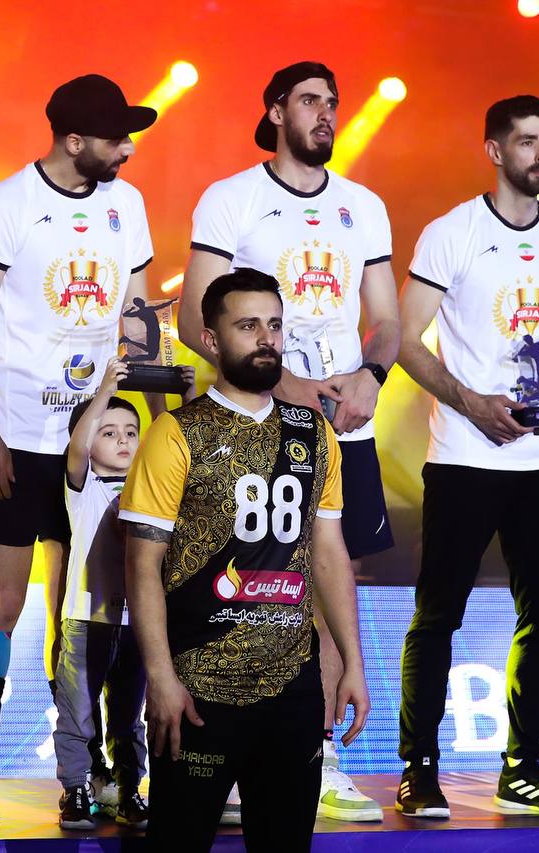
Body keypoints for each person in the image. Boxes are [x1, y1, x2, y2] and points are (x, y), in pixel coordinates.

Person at [177, 61, 397, 824]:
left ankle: (320, 756)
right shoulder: (231, 198)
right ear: (276, 112)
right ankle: (231, 757)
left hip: (343, 428)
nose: (326, 113)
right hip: (254, 422)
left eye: (333, 102)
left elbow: (388, 320)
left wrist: (372, 373)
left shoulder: (363, 205)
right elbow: (191, 320)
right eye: (309, 101)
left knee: (333, 580)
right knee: (243, 577)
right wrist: (289, 385)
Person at [0, 74, 169, 825]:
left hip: (98, 437)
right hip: (18, 436)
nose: (128, 148)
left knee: (82, 613)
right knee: (2, 604)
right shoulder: (4, 206)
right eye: (116, 137)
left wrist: (152, 404)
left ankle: (91, 768)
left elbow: (136, 318)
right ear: (74, 142)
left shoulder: (126, 206)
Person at [395, 95, 539, 818]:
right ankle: (419, 768)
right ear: (495, 150)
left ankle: (524, 765)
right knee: (437, 614)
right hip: (464, 457)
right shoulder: (453, 233)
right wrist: (470, 401)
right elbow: (403, 340)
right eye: (528, 141)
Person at [123, 268, 369, 852]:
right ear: (211, 340)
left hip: (293, 688)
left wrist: (352, 663)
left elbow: (329, 554)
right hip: (197, 689)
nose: (266, 339)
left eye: (275, 326)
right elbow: (141, 567)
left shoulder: (315, 433)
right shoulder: (175, 433)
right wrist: (160, 678)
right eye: (248, 326)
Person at [51, 358, 196, 831]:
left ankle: (129, 788)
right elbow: (77, 448)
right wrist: (105, 389)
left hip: (138, 624)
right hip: (87, 620)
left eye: (131, 432)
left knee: (129, 718)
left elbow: (183, 450)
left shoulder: (151, 490)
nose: (123, 441)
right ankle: (76, 789)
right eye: (108, 432)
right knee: (78, 714)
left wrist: (184, 400)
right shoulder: (83, 486)